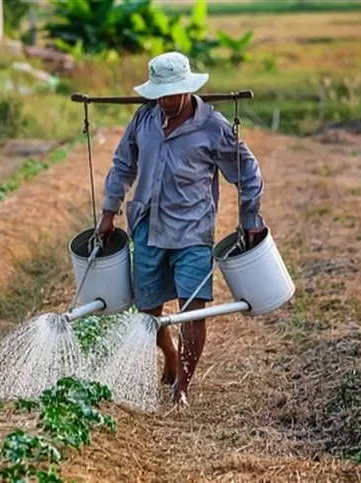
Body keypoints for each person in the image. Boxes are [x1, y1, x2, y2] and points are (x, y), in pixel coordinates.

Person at [96, 51, 266, 406]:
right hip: (147, 226)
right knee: (149, 313)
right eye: (161, 95)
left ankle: (182, 387)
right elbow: (122, 165)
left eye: (173, 94)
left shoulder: (213, 128)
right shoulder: (143, 119)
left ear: (188, 89)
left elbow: (248, 173)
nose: (167, 101)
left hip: (192, 231)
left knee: (194, 309)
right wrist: (108, 212)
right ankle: (170, 357)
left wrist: (249, 219)